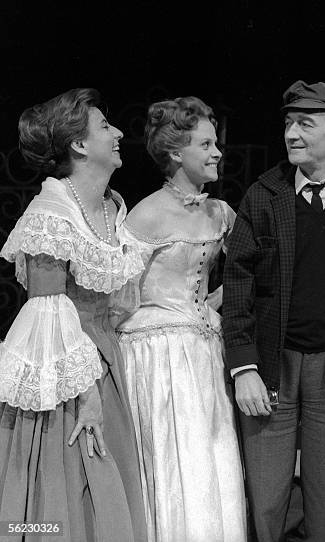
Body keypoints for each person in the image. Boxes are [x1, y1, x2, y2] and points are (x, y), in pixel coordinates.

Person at [222, 80, 325, 542]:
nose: (292, 133)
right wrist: (243, 368)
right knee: (268, 498)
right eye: (289, 124)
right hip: (273, 366)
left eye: (305, 124)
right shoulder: (264, 194)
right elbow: (237, 283)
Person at [0, 88, 147, 541]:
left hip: (110, 365)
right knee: (67, 495)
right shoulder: (50, 214)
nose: (118, 132)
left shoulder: (111, 207)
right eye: (105, 126)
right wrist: (86, 394)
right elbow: (45, 312)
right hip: (67, 376)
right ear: (79, 145)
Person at [116, 96, 247, 542]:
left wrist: (210, 304)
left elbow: (251, 275)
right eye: (206, 144)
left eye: (217, 143)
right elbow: (120, 297)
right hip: (157, 356)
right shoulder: (146, 214)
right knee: (174, 458)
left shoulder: (220, 213)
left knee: (209, 455)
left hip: (204, 350)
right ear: (176, 153)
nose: (217, 153)